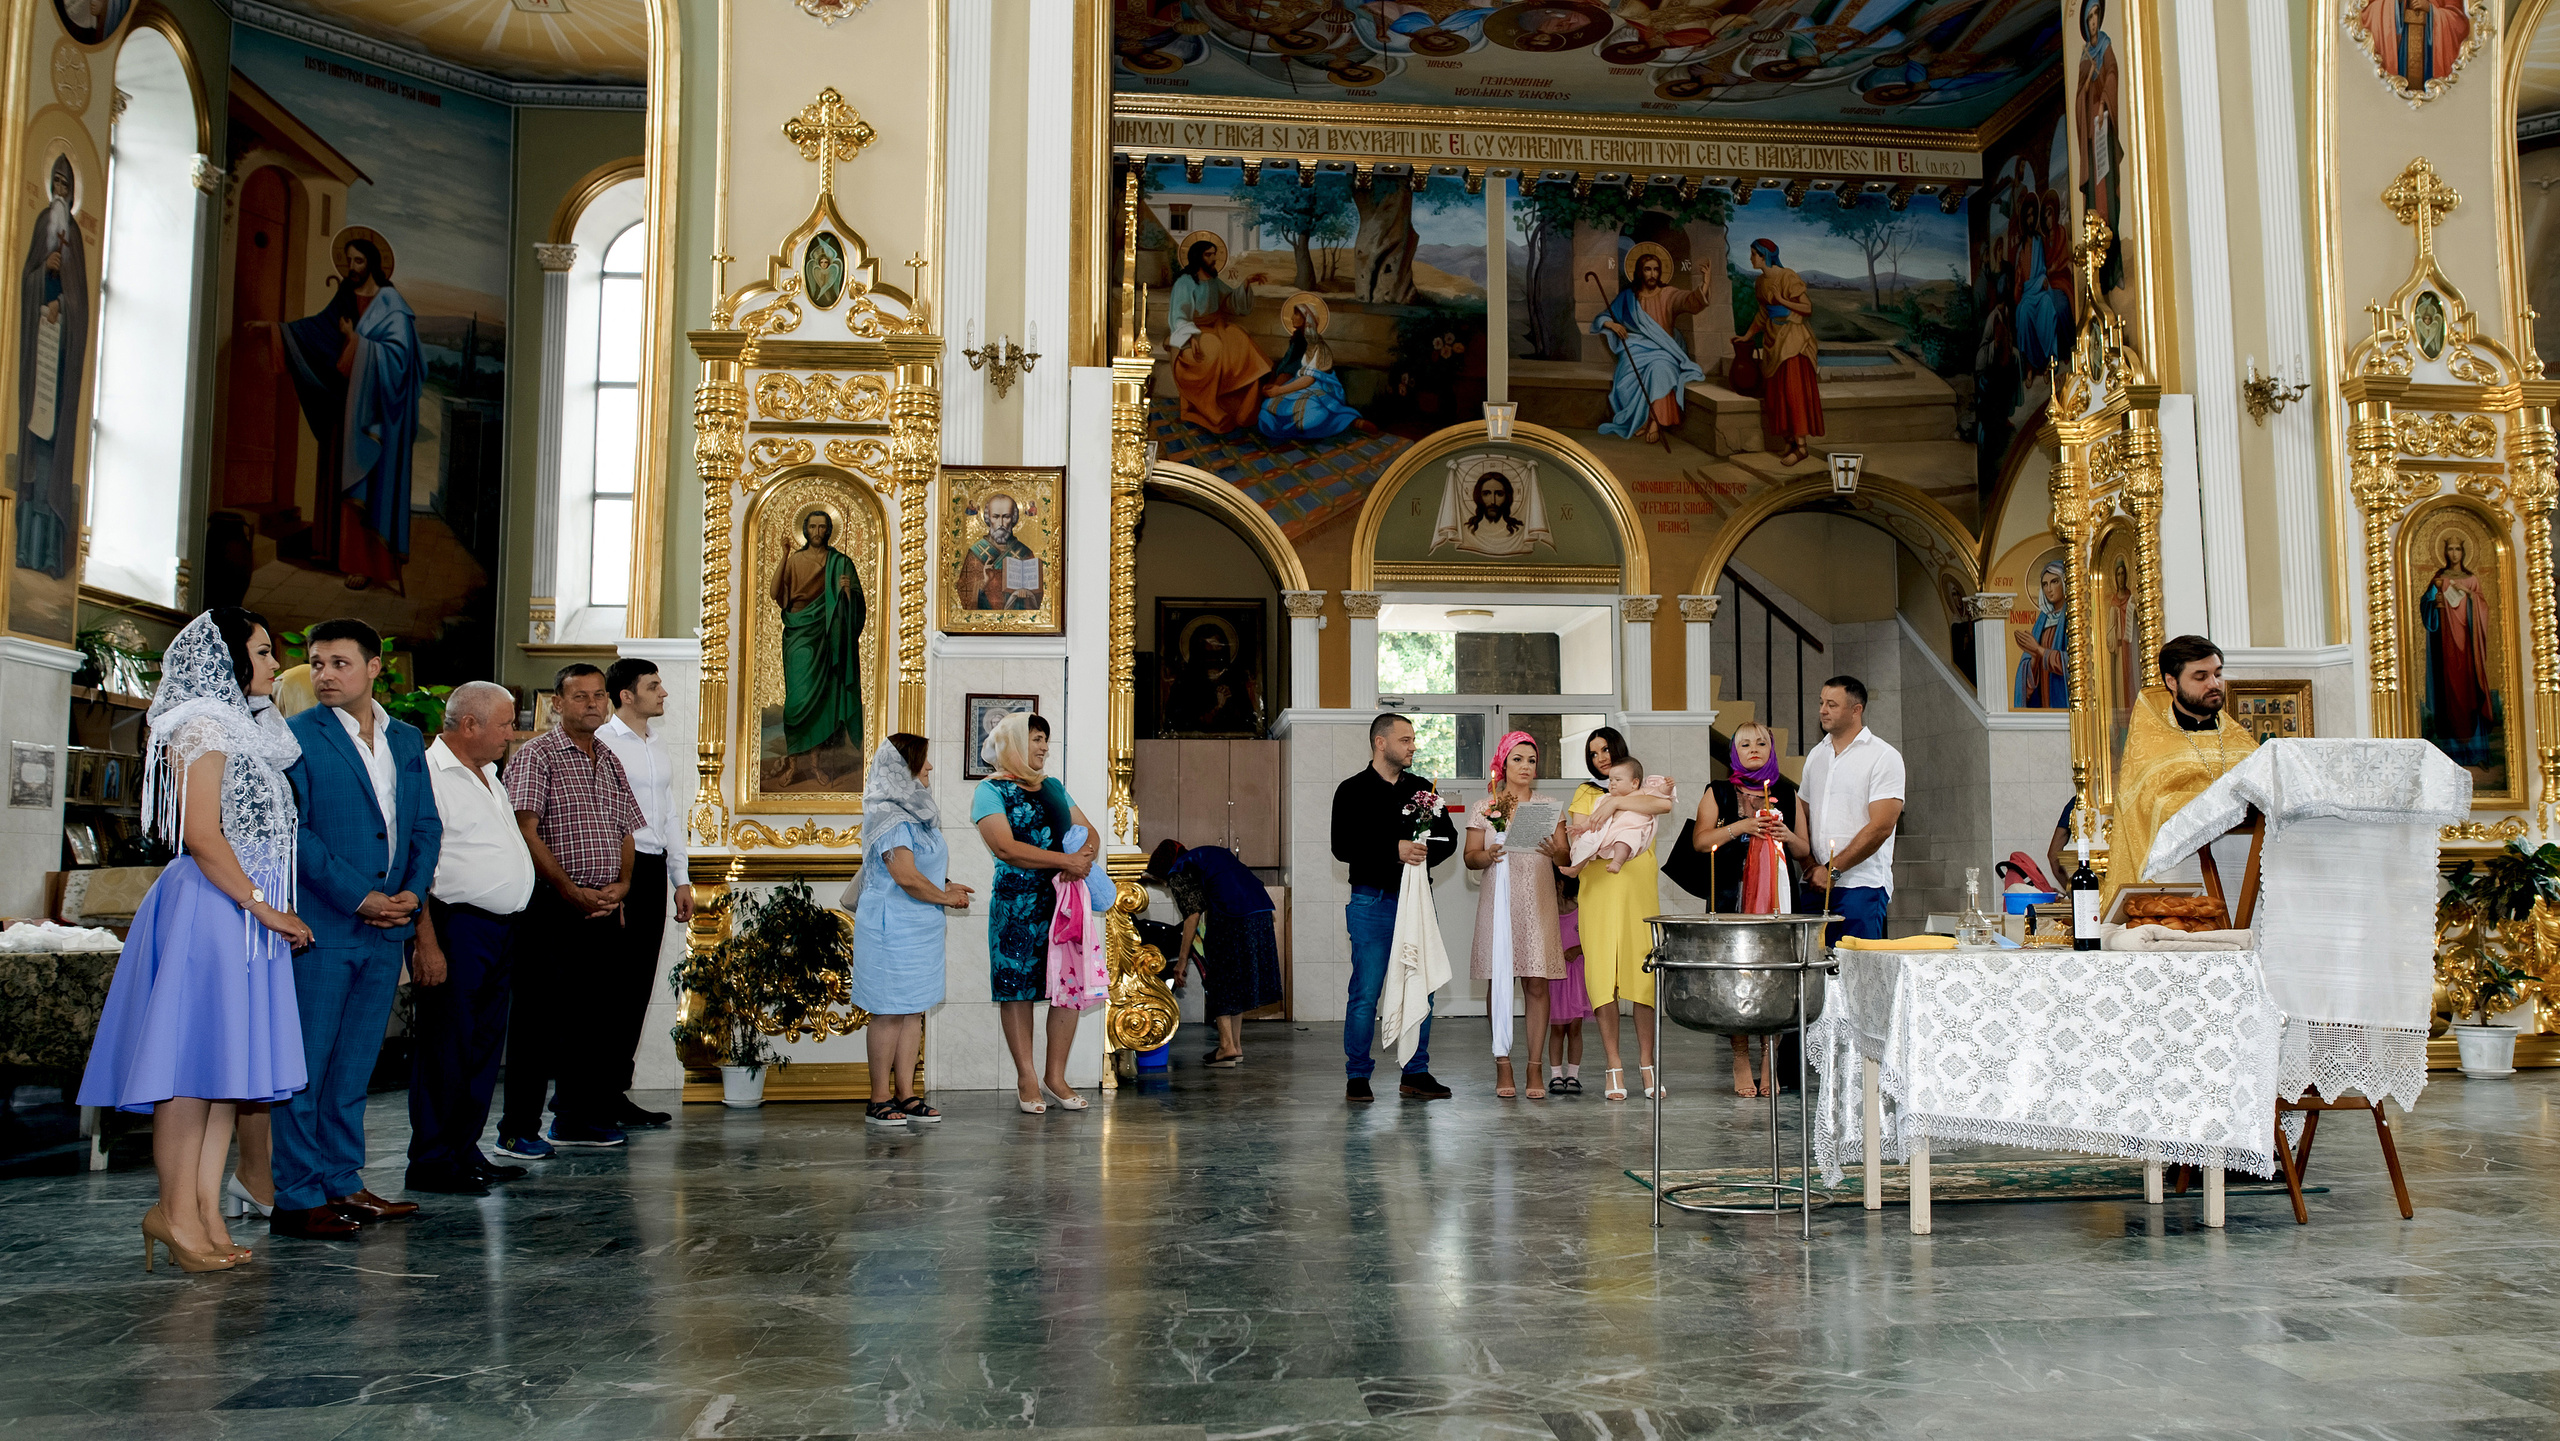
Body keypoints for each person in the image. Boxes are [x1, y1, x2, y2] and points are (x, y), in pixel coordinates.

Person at [78, 609, 313, 1272]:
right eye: (263, 653)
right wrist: (264, 907)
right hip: (212, 909)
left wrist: (267, 906)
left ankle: (205, 1210)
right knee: (186, 1077)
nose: (272, 665)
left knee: (221, 1074)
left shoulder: (247, 728)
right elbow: (203, 834)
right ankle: (174, 1211)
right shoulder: (203, 725)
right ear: (229, 661)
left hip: (239, 909)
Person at [268, 618, 440, 1240]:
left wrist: (410, 898)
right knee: (308, 1067)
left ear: (374, 668)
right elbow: (296, 835)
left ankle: (343, 1182)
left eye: (339, 663)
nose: (324, 675)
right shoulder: (294, 738)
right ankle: (296, 1197)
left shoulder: (407, 739)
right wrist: (361, 896)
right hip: (324, 925)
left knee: (354, 1066)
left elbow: (424, 828)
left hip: (387, 925)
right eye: (316, 663)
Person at [498, 664, 643, 1156]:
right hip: (552, 907)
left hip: (604, 906)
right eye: (580, 696)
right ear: (557, 703)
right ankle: (518, 1128)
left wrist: (622, 884)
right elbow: (525, 830)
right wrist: (567, 888)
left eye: (599, 696)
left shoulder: (610, 758)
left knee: (593, 1021)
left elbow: (627, 830)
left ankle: (577, 1118)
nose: (592, 704)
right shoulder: (537, 756)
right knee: (538, 1023)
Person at [404, 681, 536, 1196]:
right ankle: (432, 1161)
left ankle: (464, 1149)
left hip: (499, 931)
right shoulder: (431, 775)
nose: (512, 732)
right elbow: (420, 867)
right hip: (455, 926)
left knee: (482, 1048)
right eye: (504, 723)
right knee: (446, 1047)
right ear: (470, 725)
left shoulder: (490, 774)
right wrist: (426, 942)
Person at [971, 712, 1102, 1113]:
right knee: (1017, 988)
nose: (1044, 747)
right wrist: (1064, 859)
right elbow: (1005, 848)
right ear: (1013, 742)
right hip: (1016, 904)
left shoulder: (1055, 787)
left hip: (1064, 902)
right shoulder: (989, 791)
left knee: (1068, 988)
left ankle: (1055, 1076)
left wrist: (1081, 859)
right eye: (1036, 739)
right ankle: (1026, 1078)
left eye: (1046, 739)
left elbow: (1090, 832)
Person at [274, 235, 418, 590]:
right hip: (345, 403)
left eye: (357, 261)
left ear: (372, 261)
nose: (351, 268)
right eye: (347, 261)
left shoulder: (391, 303)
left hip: (377, 415)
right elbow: (317, 330)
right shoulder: (344, 296)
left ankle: (368, 564)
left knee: (370, 482)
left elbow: (403, 359)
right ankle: (334, 551)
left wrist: (357, 342)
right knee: (339, 475)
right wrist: (277, 331)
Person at [1330, 713, 1459, 1103]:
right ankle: (1357, 1076)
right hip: (1371, 901)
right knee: (1367, 992)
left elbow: (1448, 839)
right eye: (1405, 740)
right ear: (1380, 743)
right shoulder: (1351, 790)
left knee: (1424, 987)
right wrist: (1395, 851)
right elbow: (1342, 846)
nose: (1413, 746)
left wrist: (1422, 851)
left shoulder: (1423, 789)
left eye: (1413, 740)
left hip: (1417, 902)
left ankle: (1415, 1073)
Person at [1672, 721, 1805, 1096]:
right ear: (1735, 752)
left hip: (1778, 896)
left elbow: (1804, 850)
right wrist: (1743, 824)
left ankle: (1770, 1057)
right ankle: (1741, 1056)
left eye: (1761, 742)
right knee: (1736, 977)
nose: (1754, 749)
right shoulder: (1718, 791)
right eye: (1745, 743)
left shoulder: (1786, 792)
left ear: (1771, 748)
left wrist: (1786, 835)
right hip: (1732, 894)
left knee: (1775, 976)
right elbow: (1700, 842)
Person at [851, 736, 972, 1129]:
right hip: (891, 926)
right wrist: (945, 898)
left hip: (920, 925)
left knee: (912, 1009)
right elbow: (903, 876)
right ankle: (878, 1099)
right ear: (902, 768)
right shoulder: (888, 814)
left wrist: (946, 887)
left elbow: (923, 868)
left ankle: (906, 1093)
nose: (930, 769)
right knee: (888, 1011)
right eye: (923, 763)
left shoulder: (917, 813)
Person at [597, 657, 694, 1131]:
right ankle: (587, 1097)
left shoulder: (656, 744)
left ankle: (616, 1092)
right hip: (617, 867)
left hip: (654, 867)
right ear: (626, 696)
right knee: (607, 986)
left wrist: (681, 878)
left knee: (636, 983)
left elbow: (669, 815)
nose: (664, 693)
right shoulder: (602, 741)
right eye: (654, 686)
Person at [2103, 636, 2260, 912]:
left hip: (2245, 878)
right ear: (2172, 682)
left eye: (2217, 674)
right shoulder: (2151, 743)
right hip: (2181, 877)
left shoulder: (2239, 739)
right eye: (2200, 676)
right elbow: (2147, 806)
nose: (2214, 684)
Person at [1569, 728, 1673, 1102]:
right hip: (1598, 888)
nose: (1600, 757)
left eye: (1605, 749)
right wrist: (1608, 803)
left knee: (1641, 975)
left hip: (1637, 889)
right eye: (1593, 752)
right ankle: (1613, 1063)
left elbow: (1663, 806)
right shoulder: (1587, 792)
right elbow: (1576, 836)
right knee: (1603, 976)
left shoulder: (1643, 789)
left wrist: (1616, 804)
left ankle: (1648, 1063)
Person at [1463, 731, 1568, 1101]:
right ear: (1503, 763)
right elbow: (1470, 857)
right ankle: (1502, 1061)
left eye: (1532, 760)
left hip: (1537, 899)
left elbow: (1566, 859)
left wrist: (1556, 850)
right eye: (1518, 759)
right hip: (1499, 899)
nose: (1526, 767)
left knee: (1537, 982)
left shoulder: (1548, 805)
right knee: (1499, 979)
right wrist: (1487, 854)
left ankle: (1535, 1066)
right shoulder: (1485, 806)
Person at [1146, 838, 1283, 1068]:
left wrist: (1181, 961)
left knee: (1219, 976)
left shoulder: (1178, 869)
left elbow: (1192, 914)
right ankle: (1234, 1047)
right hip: (1260, 911)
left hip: (1234, 915)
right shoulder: (1204, 857)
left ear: (1164, 868)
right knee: (1235, 980)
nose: (1167, 885)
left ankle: (1226, 1046)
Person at [1797, 676, 1905, 949]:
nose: (1822, 710)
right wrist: (1810, 865)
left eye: (1832, 704)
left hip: (1861, 885)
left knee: (1857, 974)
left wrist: (1832, 871)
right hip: (1814, 884)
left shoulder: (1883, 756)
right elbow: (1802, 814)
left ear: (1856, 710)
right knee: (1813, 973)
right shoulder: (1816, 755)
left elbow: (1882, 825)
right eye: (1821, 702)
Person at [16, 154, 85, 579]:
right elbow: (25, 282)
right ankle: (25, 546)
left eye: (65, 183)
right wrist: (44, 273)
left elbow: (82, 304)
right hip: (36, 355)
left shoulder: (73, 235)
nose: (60, 188)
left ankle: (47, 554)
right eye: (55, 181)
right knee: (33, 443)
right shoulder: (44, 222)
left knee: (52, 445)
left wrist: (63, 301)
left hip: (60, 365)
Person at [770, 507, 865, 787]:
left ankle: (813, 765)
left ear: (829, 530)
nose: (818, 533)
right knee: (797, 703)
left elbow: (856, 604)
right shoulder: (795, 560)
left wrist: (847, 592)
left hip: (827, 635)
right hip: (799, 633)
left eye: (823, 527)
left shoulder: (840, 562)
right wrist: (785, 554)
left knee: (821, 703)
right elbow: (777, 594)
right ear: (805, 529)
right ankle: (791, 765)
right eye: (812, 527)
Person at [1593, 241, 1707, 448]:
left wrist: (1705, 284)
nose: (1653, 274)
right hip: (1636, 349)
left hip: (1665, 350)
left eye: (1656, 269)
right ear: (1639, 272)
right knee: (1627, 377)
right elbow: (1602, 317)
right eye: (1648, 269)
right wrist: (1612, 324)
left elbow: (1690, 300)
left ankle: (1656, 422)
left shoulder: (1668, 294)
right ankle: (1642, 419)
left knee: (1660, 369)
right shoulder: (1629, 297)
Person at [1168, 238, 1270, 434]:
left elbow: (1230, 301)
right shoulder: (1185, 282)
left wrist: (1246, 284)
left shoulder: (1213, 280)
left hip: (1218, 327)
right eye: (1209, 255)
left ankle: (1244, 405)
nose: (1214, 259)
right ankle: (1208, 406)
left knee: (1241, 341)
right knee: (1212, 350)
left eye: (1214, 254)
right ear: (1198, 257)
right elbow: (1178, 315)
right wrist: (1190, 337)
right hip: (1195, 331)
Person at [2420, 537, 2502, 769]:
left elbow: (2483, 608)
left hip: (2470, 650)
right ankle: (2452, 755)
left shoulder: (2472, 580)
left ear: (2463, 552)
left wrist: (2469, 594)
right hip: (2446, 649)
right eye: (2450, 549)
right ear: (2444, 552)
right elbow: (2427, 608)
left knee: (2471, 692)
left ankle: (2477, 753)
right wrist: (2432, 601)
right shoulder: (2438, 579)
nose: (2454, 553)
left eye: (2458, 549)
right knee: (2450, 696)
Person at [1741, 238, 1823, 465]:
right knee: (1777, 395)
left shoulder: (1787, 276)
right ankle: (1789, 440)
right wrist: (1747, 336)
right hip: (1772, 340)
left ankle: (1802, 447)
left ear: (1765, 255)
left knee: (1793, 392)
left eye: (1753, 254)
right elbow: (1763, 314)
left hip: (1793, 340)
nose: (1750, 258)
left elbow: (1807, 308)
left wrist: (1781, 300)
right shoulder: (1760, 282)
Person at [1257, 292, 1359, 442]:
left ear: (1307, 318)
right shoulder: (1297, 342)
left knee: (1309, 413)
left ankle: (1348, 421)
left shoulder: (1318, 346)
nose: (1292, 318)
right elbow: (1288, 368)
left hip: (1321, 388)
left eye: (1296, 314)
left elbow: (1310, 379)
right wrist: (1276, 387)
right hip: (1297, 386)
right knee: (1268, 406)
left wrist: (1280, 390)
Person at [1565, 757, 1675, 874]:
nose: (1612, 784)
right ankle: (1576, 868)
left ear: (1634, 783)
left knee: (1625, 839)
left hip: (1628, 828)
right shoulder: (1606, 799)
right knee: (1586, 840)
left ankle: (1617, 862)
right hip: (1606, 832)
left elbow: (1660, 793)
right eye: (1611, 780)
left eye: (1617, 780)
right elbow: (1595, 818)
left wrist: (1667, 787)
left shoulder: (1640, 793)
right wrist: (1581, 827)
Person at [957, 493, 1040, 611]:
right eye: (995, 517)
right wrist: (984, 582)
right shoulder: (975, 553)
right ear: (988, 518)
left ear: (1014, 518)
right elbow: (963, 591)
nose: (1000, 523)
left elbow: (1038, 599)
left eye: (1006, 517)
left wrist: (1026, 593)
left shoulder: (1024, 553)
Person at [2014, 557, 2070, 709]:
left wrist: (2038, 650)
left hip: (2063, 700)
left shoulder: (2073, 617)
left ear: (2065, 583)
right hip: (2044, 699)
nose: (2049, 589)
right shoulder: (2042, 622)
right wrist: (2033, 655)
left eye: (2054, 582)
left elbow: (2075, 663)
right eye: (2045, 584)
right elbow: (2028, 676)